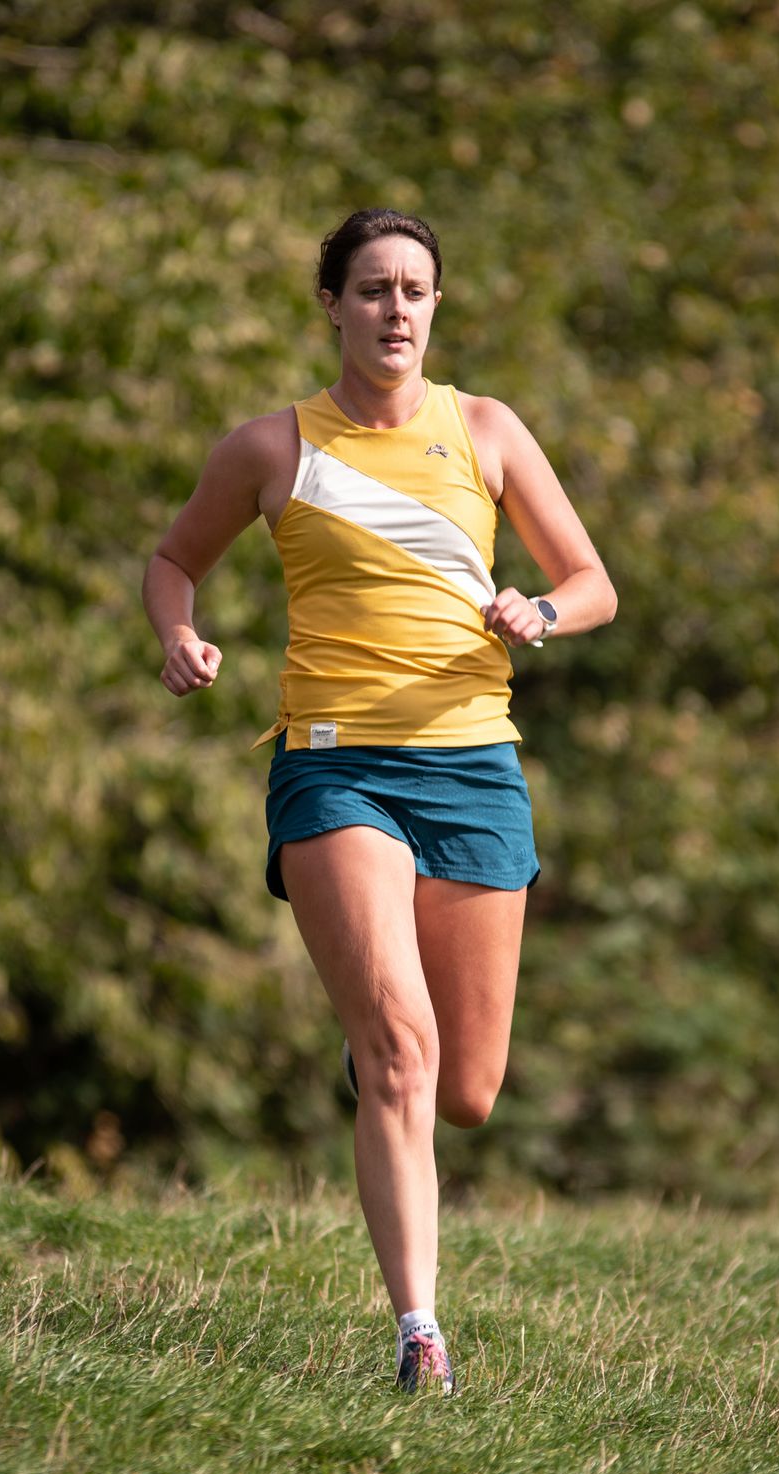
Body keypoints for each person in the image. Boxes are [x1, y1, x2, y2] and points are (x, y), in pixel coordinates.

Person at [142, 208, 617, 1396]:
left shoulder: (487, 430)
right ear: (333, 306)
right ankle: (420, 1334)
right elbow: (173, 560)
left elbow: (593, 580)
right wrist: (179, 634)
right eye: (371, 289)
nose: (394, 308)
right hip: (335, 766)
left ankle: (381, 1060)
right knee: (404, 1048)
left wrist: (540, 610)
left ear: (436, 306)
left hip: (473, 768)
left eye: (413, 289)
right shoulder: (272, 447)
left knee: (464, 1091)